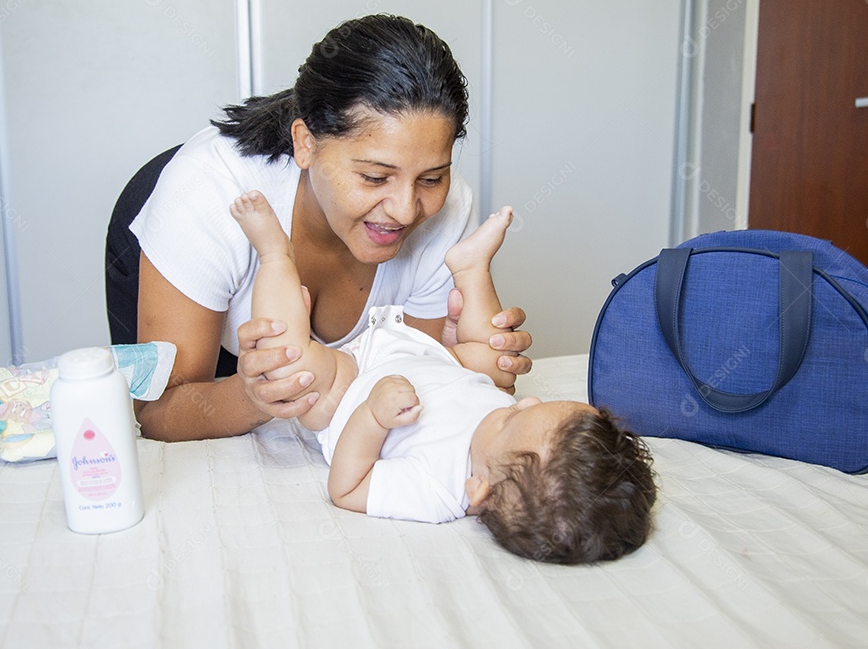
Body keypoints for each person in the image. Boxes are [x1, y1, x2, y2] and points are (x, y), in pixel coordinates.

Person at [126, 15, 532, 441]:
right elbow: (157, 414)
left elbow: (401, 388)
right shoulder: (205, 193)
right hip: (216, 364)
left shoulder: (446, 209)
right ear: (305, 143)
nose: (405, 211)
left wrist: (451, 357)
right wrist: (253, 398)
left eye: (431, 178)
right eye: (375, 178)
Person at [231, 192, 657, 564]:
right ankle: (471, 268)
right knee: (495, 360)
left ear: (479, 491)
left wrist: (373, 418)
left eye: (511, 419)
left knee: (289, 369)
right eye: (534, 405)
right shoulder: (513, 441)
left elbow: (347, 487)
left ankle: (274, 255)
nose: (522, 402)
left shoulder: (436, 490)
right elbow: (488, 383)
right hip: (429, 355)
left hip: (348, 387)